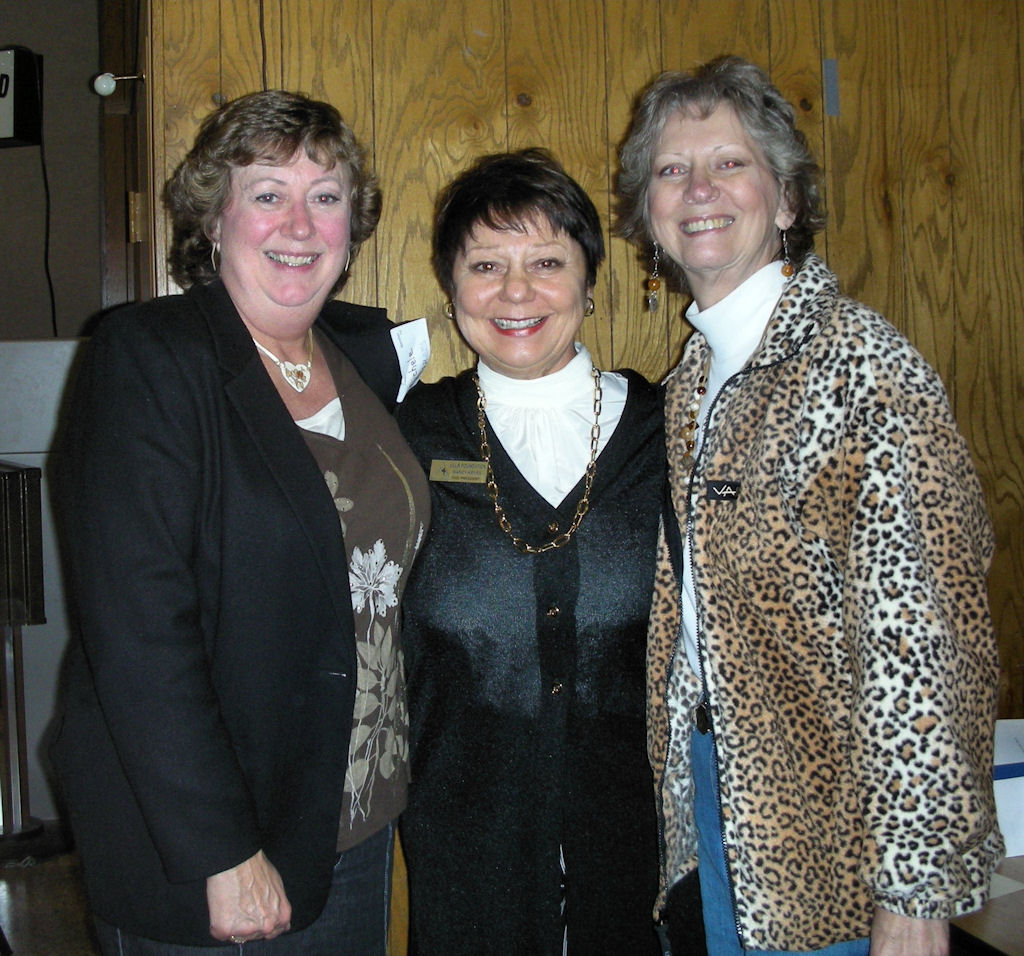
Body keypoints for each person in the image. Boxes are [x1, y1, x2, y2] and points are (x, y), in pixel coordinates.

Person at [616, 56, 1003, 956]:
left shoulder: (860, 367)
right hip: (714, 800)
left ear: (787, 200)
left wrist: (917, 890)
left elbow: (928, 647)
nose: (699, 189)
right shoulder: (694, 382)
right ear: (648, 213)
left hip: (837, 840)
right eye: (672, 170)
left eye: (730, 163)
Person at [51, 90, 430, 954]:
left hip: (357, 817)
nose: (299, 224)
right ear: (214, 220)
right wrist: (221, 851)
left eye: (325, 196)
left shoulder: (360, 359)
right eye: (267, 193)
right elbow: (137, 628)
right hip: (218, 840)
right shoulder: (151, 357)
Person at [395, 148, 664, 955]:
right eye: (486, 266)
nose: (517, 293)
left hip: (641, 847)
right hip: (463, 847)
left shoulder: (670, 432)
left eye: (547, 262)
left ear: (590, 284)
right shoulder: (405, 436)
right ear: (452, 291)